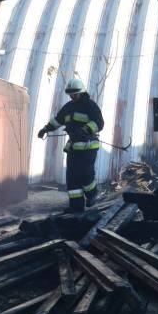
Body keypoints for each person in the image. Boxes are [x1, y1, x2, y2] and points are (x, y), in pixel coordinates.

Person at [37, 78, 104, 213]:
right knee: (72, 178)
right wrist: (45, 129)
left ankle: (92, 195)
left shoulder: (90, 106)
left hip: (88, 147)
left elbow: (99, 123)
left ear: (82, 92)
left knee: (85, 174)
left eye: (75, 94)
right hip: (73, 148)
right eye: (71, 95)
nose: (72, 97)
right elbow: (58, 120)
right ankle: (76, 206)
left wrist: (85, 129)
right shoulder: (68, 107)